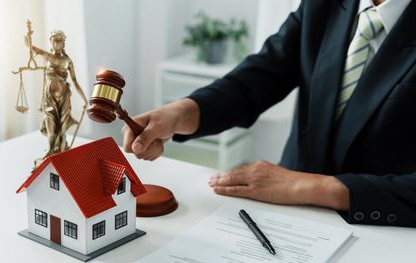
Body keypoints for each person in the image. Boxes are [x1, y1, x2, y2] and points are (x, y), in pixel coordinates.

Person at [122, 0, 416, 228]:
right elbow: (260, 77)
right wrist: (183, 112)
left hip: (381, 228)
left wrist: (305, 186)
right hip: (286, 211)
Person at [26, 30, 87, 157]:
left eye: (59, 41)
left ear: (63, 44)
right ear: (51, 42)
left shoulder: (67, 60)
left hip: (64, 97)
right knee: (51, 124)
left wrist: (84, 99)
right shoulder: (47, 56)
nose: (56, 43)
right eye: (54, 40)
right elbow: (29, 45)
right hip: (49, 97)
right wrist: (28, 34)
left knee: (63, 126)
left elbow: (75, 81)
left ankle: (63, 150)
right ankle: (50, 149)